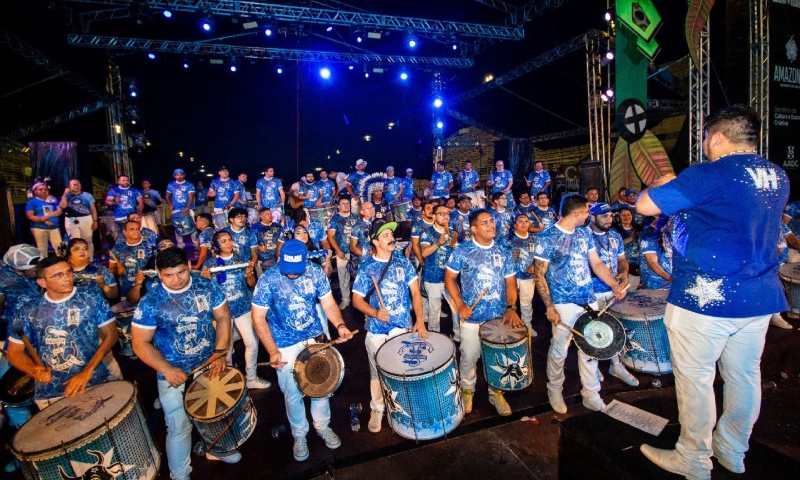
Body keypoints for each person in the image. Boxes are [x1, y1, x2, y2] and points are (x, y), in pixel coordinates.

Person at [635, 105, 789, 479]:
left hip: (706, 299)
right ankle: (732, 450)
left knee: (697, 379)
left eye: (705, 137)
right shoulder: (777, 175)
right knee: (744, 377)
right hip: (759, 296)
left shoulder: (709, 174)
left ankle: (693, 457)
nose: (704, 144)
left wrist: (667, 181)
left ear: (717, 137)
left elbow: (644, 205)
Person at [131, 247, 237, 478]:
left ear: (189, 266)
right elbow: (140, 343)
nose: (176, 279)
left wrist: (220, 353)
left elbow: (223, 317)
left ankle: (216, 448)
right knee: (179, 425)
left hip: (208, 363)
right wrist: (167, 370)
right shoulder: (151, 302)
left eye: (181, 272)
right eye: (168, 275)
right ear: (159, 273)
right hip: (172, 371)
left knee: (213, 413)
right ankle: (179, 473)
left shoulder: (207, 286)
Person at [251, 239, 354, 461]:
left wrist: (340, 325)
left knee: (321, 383)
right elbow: (258, 317)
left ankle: (322, 426)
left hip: (313, 336)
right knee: (292, 392)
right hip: (284, 342)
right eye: (288, 269)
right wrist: (272, 350)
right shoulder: (268, 279)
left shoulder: (315, 272)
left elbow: (328, 304)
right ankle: (299, 434)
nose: (291, 274)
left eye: (296, 269)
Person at [533, 194, 626, 414]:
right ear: (577, 213)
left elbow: (597, 263)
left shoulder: (585, 233)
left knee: (591, 347)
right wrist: (549, 307)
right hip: (563, 303)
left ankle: (591, 394)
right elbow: (539, 275)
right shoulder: (547, 237)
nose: (588, 216)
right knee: (560, 349)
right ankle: (555, 389)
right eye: (586, 212)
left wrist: (614, 284)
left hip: (588, 299)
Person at [7, 256, 118, 409]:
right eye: (59, 275)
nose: (67, 278)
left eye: (68, 272)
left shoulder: (91, 299)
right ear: (42, 282)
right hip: (51, 393)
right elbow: (14, 352)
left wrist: (87, 371)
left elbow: (111, 335)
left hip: (93, 381)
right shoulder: (28, 311)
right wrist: (34, 371)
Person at [445, 209, 523, 417]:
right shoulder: (462, 250)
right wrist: (460, 304)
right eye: (485, 222)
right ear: (474, 229)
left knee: (496, 357)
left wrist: (511, 308)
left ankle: (495, 392)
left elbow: (510, 283)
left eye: (491, 221)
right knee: (469, 356)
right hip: (471, 318)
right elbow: (449, 279)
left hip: (498, 318)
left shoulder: (503, 251)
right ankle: (467, 390)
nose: (491, 225)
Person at [352, 220, 427, 433]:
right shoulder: (367, 267)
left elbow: (415, 293)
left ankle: (404, 408)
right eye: (385, 235)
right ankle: (377, 408)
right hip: (376, 328)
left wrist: (420, 320)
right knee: (377, 372)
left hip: (401, 326)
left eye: (391, 235)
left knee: (403, 370)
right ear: (375, 242)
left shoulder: (403, 262)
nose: (391, 238)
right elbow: (356, 300)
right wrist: (375, 312)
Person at [201, 231, 270, 389]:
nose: (228, 243)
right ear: (217, 245)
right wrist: (205, 280)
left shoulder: (241, 259)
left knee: (252, 342)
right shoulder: (210, 263)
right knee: (226, 348)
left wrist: (249, 274)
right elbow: (205, 291)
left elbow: (251, 284)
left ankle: (251, 378)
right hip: (222, 313)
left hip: (243, 307)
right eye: (224, 241)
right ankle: (231, 380)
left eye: (230, 240)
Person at [587, 203, 639, 386]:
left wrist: (624, 273)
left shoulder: (615, 236)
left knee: (615, 328)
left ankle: (616, 365)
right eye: (604, 216)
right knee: (594, 331)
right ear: (592, 217)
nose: (609, 219)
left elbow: (622, 259)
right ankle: (592, 368)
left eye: (610, 216)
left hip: (613, 292)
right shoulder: (584, 236)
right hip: (592, 293)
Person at [419, 205, 458, 334]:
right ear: (434, 216)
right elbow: (424, 253)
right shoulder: (427, 232)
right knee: (434, 311)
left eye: (447, 213)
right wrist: (439, 242)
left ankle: (458, 336)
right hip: (433, 278)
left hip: (450, 278)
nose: (446, 216)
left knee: (456, 308)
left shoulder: (453, 233)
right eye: (442, 213)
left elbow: (458, 254)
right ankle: (434, 335)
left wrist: (456, 247)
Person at [503, 213, 537, 335]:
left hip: (528, 278)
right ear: (515, 225)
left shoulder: (534, 239)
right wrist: (511, 258)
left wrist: (535, 266)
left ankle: (527, 326)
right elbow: (498, 259)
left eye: (526, 221)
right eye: (520, 221)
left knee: (526, 303)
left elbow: (540, 257)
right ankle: (507, 326)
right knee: (508, 303)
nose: (524, 224)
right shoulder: (507, 240)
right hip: (511, 278)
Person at [110, 220, 156, 301]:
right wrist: (118, 272)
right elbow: (111, 269)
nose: (136, 231)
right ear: (124, 232)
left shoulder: (149, 246)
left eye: (137, 229)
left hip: (148, 288)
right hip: (126, 290)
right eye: (132, 229)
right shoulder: (117, 248)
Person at [327, 195, 359, 309]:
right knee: (343, 277)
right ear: (339, 207)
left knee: (359, 276)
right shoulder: (335, 219)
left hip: (355, 252)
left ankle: (359, 300)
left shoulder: (355, 217)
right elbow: (330, 236)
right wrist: (338, 250)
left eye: (347, 203)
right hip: (342, 252)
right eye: (343, 204)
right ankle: (346, 299)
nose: (346, 205)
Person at [59, 179, 98, 260]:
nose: (77, 186)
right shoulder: (67, 196)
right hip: (71, 219)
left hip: (86, 218)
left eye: (78, 184)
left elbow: (93, 209)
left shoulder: (87, 195)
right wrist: (65, 194)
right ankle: (77, 259)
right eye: (74, 185)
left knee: (88, 240)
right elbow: (63, 206)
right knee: (74, 241)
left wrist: (95, 221)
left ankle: (89, 259)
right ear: (69, 186)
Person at [26, 180, 62, 258]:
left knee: (60, 247)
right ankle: (44, 264)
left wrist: (47, 217)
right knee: (42, 249)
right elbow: (30, 216)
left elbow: (59, 211)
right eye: (41, 189)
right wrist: (44, 220)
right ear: (35, 191)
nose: (44, 191)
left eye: (46, 189)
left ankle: (61, 262)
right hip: (39, 228)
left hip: (54, 227)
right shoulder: (32, 202)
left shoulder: (53, 200)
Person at [639, 216, 673, 290]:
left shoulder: (669, 235)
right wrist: (670, 279)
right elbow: (652, 263)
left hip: (671, 285)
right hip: (656, 285)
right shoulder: (648, 236)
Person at [165, 169, 196, 250]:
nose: (179, 176)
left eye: (181, 175)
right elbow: (167, 196)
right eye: (177, 175)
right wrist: (170, 205)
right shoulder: (171, 185)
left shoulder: (189, 184)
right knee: (178, 227)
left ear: (184, 175)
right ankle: (180, 245)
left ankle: (196, 244)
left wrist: (187, 207)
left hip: (188, 209)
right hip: (176, 209)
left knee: (192, 226)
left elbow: (191, 197)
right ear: (174, 176)